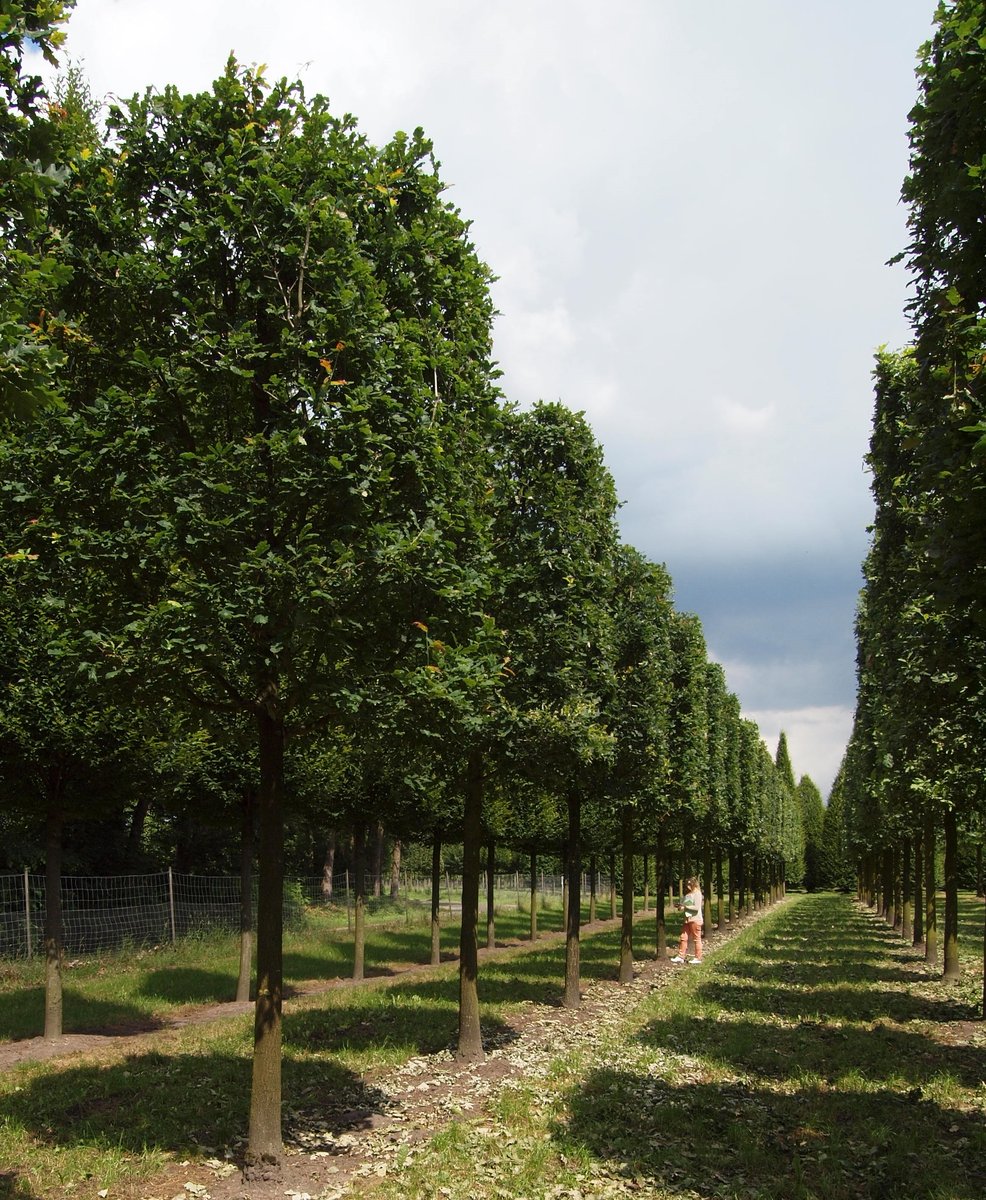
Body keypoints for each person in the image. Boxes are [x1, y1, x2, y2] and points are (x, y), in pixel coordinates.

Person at [670, 876, 703, 964]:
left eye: (689, 885)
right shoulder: (688, 895)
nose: (688, 887)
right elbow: (686, 907)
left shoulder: (698, 894)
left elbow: (696, 908)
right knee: (683, 938)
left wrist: (685, 906)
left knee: (696, 939)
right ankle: (681, 956)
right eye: (687, 885)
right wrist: (680, 906)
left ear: (694, 884)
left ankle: (698, 957)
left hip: (695, 919)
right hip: (687, 919)